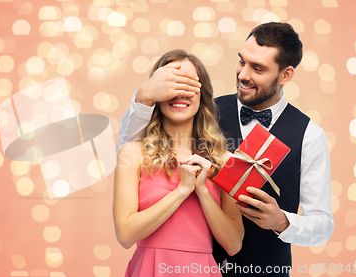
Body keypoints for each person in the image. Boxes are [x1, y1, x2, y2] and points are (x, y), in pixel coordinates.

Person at [117, 22, 334, 277]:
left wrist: (283, 222)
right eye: (242, 62)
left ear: (285, 75)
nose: (243, 75)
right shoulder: (202, 114)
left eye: (258, 68)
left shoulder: (309, 135)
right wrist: (143, 98)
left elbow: (323, 224)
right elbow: (135, 145)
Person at [113, 49, 244, 277]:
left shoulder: (225, 162)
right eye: (172, 84)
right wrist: (182, 190)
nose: (179, 93)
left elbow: (233, 245)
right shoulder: (132, 154)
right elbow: (125, 235)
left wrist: (202, 189)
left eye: (189, 85)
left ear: (202, 96)